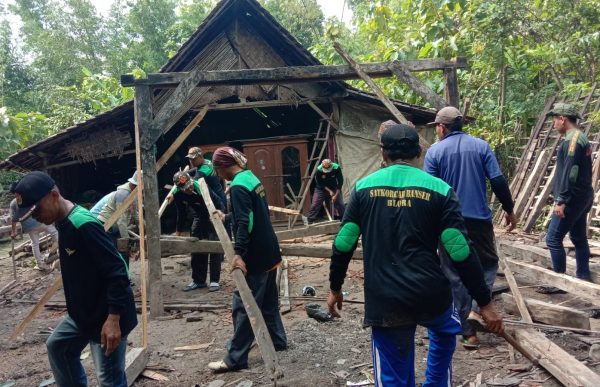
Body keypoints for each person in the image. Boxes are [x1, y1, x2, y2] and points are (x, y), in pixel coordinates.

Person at [327, 124, 504, 386]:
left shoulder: (363, 190)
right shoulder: (440, 190)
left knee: (393, 374)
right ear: (419, 152)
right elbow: (461, 253)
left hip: (386, 299)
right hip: (431, 294)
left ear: (382, 154)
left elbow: (344, 244)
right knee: (446, 332)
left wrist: (335, 287)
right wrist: (485, 304)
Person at [13, 171, 137, 387]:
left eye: (36, 210)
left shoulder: (83, 224)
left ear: (53, 195)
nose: (35, 217)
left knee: (109, 378)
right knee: (58, 347)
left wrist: (113, 319)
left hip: (106, 314)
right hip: (84, 314)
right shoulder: (62, 222)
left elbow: (118, 270)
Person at [423, 106, 516, 349]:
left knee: (454, 274)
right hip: (479, 220)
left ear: (442, 128)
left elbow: (428, 191)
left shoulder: (434, 152)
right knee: (487, 264)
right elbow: (497, 180)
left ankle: (468, 332)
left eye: (437, 128)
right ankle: (476, 309)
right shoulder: (481, 146)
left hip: (447, 224)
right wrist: (509, 208)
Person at [208, 146, 287, 372]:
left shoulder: (238, 187)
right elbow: (252, 213)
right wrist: (228, 216)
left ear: (222, 168)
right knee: (269, 303)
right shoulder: (251, 178)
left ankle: (235, 358)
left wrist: (239, 254)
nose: (218, 175)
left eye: (217, 170)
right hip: (270, 250)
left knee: (243, 304)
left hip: (256, 255)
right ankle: (278, 341)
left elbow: (245, 224)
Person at [545, 103, 594, 280]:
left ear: (562, 119)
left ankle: (559, 281)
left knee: (552, 239)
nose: (554, 124)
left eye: (554, 121)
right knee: (579, 238)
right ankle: (583, 276)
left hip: (572, 199)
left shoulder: (572, 142)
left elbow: (571, 173)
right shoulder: (580, 137)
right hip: (583, 196)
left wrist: (561, 201)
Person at [172, 170, 225, 292]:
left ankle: (214, 281)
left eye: (190, 186)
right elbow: (181, 212)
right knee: (195, 247)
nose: (189, 189)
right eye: (186, 189)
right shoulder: (177, 193)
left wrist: (220, 215)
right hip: (198, 216)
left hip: (213, 213)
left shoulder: (201, 187)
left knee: (214, 246)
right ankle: (198, 280)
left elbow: (219, 203)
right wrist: (179, 230)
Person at [10, 183, 58, 270]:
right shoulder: (29, 196)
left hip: (29, 227)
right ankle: (59, 252)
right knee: (55, 234)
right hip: (39, 222)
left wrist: (14, 232)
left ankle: (39, 264)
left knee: (35, 244)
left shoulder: (13, 203)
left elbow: (13, 219)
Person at [95, 172, 138, 246]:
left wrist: (142, 225)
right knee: (112, 248)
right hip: (106, 224)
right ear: (135, 185)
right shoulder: (123, 194)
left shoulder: (133, 194)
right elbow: (121, 220)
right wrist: (127, 241)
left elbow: (135, 213)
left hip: (113, 225)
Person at [305, 159, 345, 223]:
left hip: (333, 187)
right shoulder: (319, 170)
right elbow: (320, 183)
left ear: (331, 165)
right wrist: (329, 191)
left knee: (340, 204)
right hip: (320, 189)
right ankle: (309, 221)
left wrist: (335, 195)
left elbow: (340, 182)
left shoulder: (336, 168)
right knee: (315, 205)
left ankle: (345, 220)